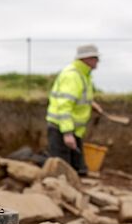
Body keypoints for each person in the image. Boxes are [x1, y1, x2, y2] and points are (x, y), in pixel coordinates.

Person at [45, 44, 110, 176]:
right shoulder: (72, 76)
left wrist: (92, 103)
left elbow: (79, 96)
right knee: (62, 171)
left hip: (73, 129)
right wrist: (67, 133)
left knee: (79, 170)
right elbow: (64, 105)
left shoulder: (83, 75)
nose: (98, 61)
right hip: (61, 129)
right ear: (86, 59)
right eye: (95, 58)